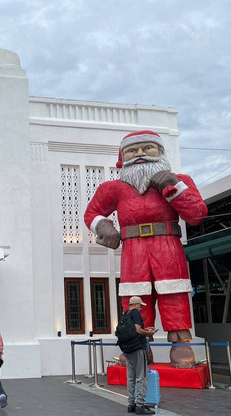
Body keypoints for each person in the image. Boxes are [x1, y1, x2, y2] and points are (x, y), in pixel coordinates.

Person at [84, 130, 208, 368]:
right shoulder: (113, 188)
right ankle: (139, 346)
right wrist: (103, 226)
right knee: (134, 297)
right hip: (133, 250)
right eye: (132, 150)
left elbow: (196, 214)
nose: (140, 154)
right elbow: (92, 213)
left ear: (160, 151)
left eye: (147, 148)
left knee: (174, 292)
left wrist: (173, 188)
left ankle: (181, 343)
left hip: (168, 246)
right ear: (123, 157)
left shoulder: (180, 180)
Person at [124, 296, 157, 415]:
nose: (142, 307)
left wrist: (145, 329)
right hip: (138, 348)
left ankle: (131, 404)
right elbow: (138, 330)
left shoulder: (125, 314)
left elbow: (133, 330)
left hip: (127, 349)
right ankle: (140, 405)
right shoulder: (136, 313)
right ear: (136, 304)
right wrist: (149, 332)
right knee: (141, 377)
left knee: (130, 377)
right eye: (140, 305)